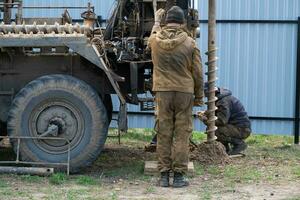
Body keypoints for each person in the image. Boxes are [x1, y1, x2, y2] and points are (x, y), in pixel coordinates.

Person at [147, 6, 204, 187]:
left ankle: (163, 176)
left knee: (164, 133)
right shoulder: (190, 43)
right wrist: (199, 97)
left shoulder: (155, 41)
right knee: (182, 134)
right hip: (184, 92)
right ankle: (178, 176)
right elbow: (198, 73)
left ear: (166, 21)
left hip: (163, 92)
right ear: (183, 23)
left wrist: (156, 21)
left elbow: (150, 39)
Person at [199, 85, 251, 155]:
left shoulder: (223, 101)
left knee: (216, 130)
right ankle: (225, 149)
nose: (206, 97)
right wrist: (206, 113)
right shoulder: (222, 98)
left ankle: (239, 144)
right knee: (216, 129)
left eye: (207, 95)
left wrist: (205, 119)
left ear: (213, 92)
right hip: (237, 127)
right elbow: (221, 114)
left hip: (242, 129)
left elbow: (222, 121)